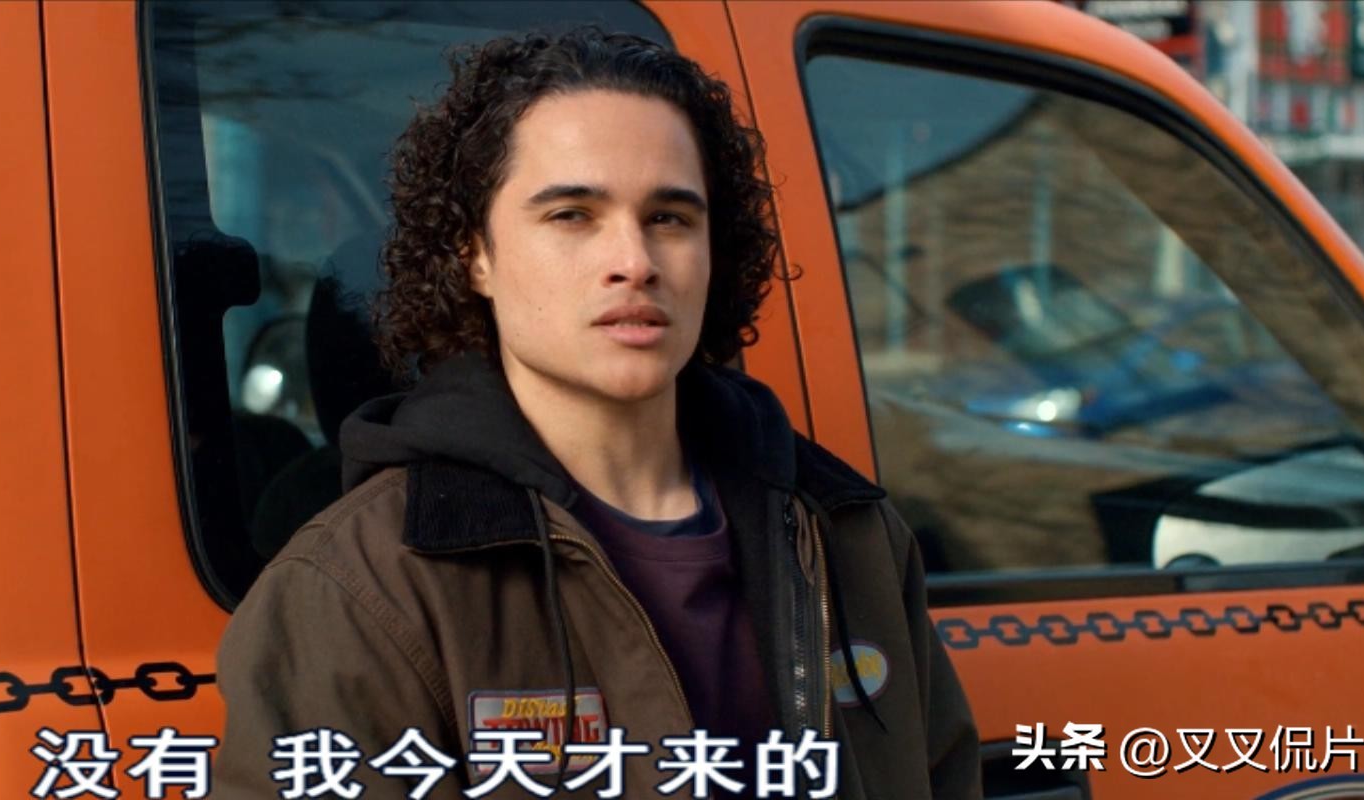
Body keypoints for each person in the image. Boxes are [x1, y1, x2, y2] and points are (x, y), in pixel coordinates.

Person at [215, 27, 980, 798]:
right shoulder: (358, 586)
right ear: (473, 254)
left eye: (670, 218)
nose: (635, 262)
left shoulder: (850, 535)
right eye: (572, 215)